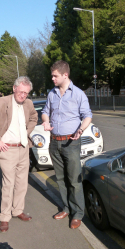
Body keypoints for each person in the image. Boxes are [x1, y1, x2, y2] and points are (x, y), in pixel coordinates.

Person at [0, 76, 38, 233]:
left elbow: (34, 117)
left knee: (22, 183)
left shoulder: (28, 103)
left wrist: (27, 132)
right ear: (14, 88)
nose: (23, 96)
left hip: (24, 148)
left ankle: (17, 210)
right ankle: (4, 217)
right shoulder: (1, 103)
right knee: (8, 184)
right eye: (21, 92)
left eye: (26, 93)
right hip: (7, 150)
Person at [41, 60, 92, 229]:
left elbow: (87, 116)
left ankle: (78, 213)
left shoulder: (78, 94)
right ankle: (66, 208)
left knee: (74, 180)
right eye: (52, 76)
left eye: (55, 76)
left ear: (65, 75)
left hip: (71, 142)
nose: (52, 79)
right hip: (54, 142)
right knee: (61, 179)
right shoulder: (52, 94)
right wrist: (46, 122)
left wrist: (81, 130)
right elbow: (45, 112)